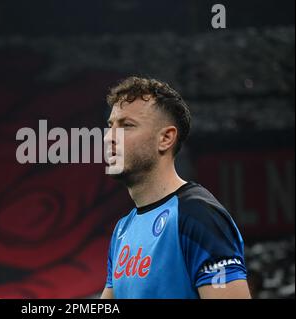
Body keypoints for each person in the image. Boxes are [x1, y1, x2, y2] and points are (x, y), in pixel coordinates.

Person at [101, 76, 251, 299]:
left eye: (127, 126)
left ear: (166, 138)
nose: (109, 137)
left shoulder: (198, 216)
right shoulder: (123, 229)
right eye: (110, 126)